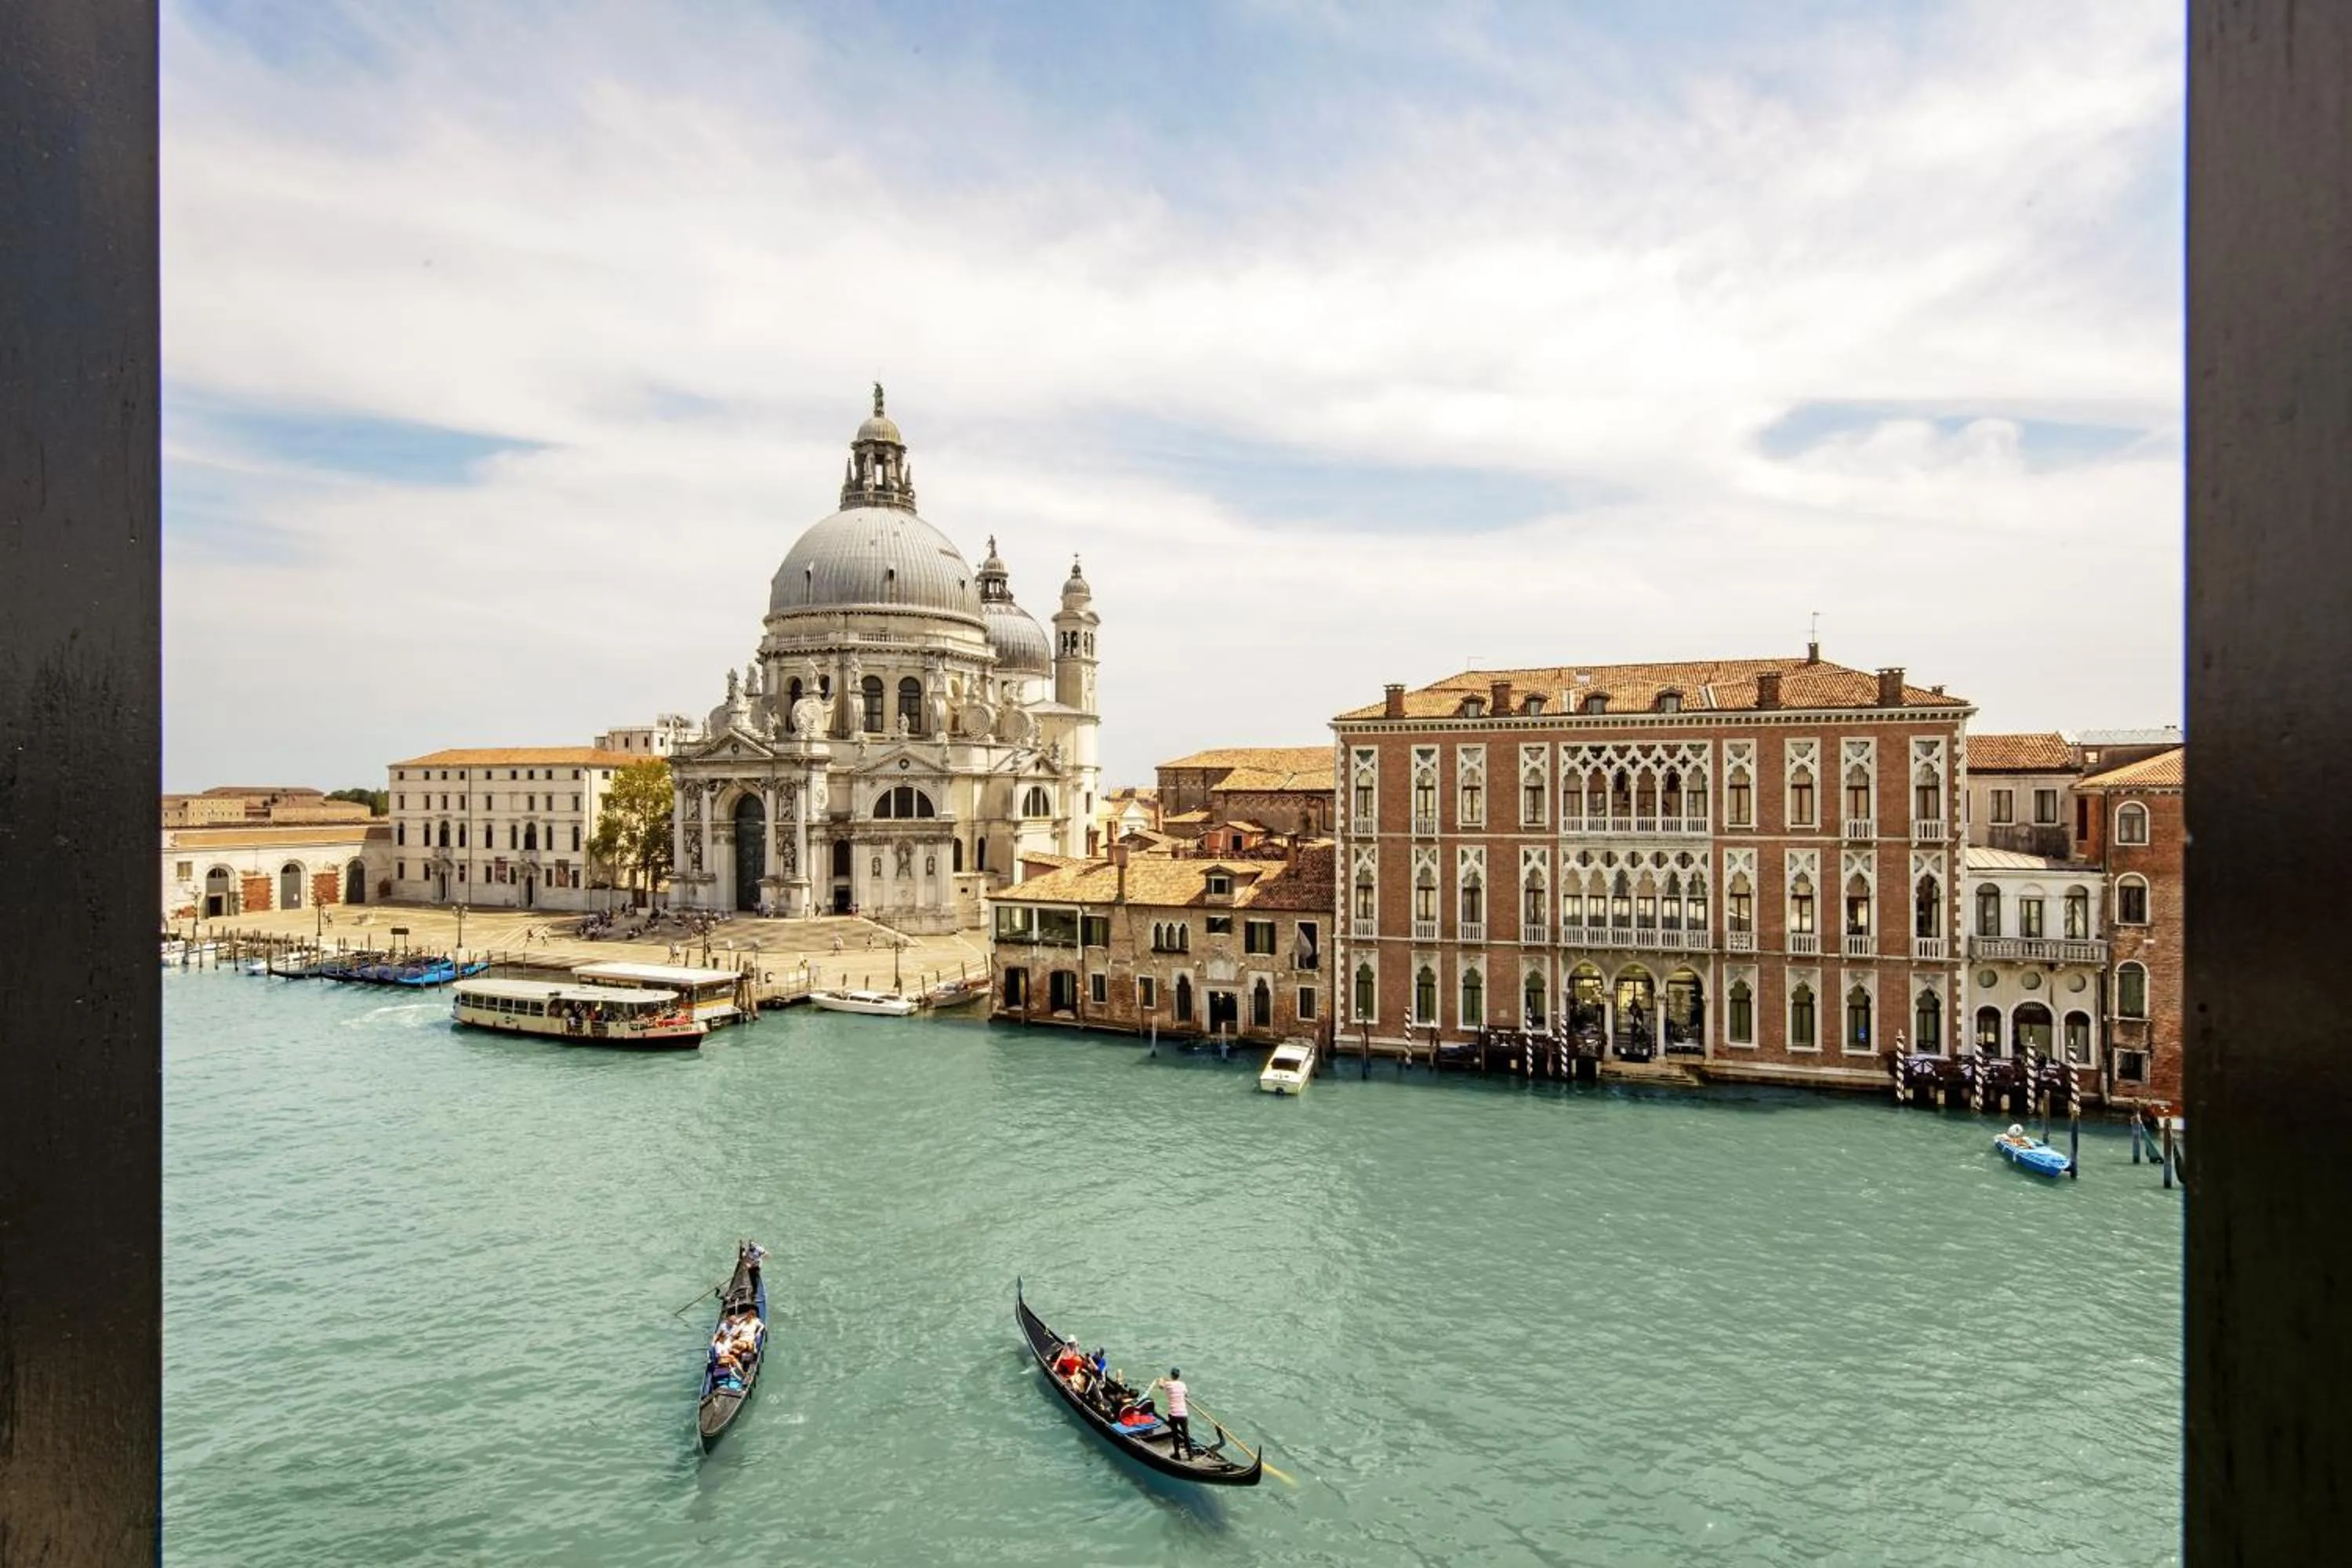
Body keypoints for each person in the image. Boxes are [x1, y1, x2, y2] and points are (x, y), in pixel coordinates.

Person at [1151, 1368, 1192, 1458]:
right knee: (1186, 1435)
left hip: (1173, 1414)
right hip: (1183, 1414)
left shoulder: (1168, 1384)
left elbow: (1160, 1386)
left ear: (1171, 1375)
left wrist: (1161, 1379)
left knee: (1175, 1434)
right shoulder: (1182, 1384)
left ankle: (1177, 1454)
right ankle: (1190, 1454)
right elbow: (1186, 1395)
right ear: (1178, 1376)